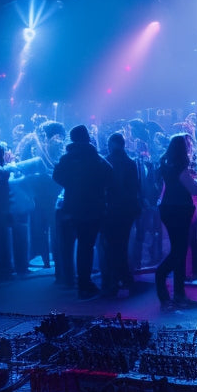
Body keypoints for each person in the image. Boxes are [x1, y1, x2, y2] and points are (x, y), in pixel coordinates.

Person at [52, 124, 114, 299]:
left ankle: (75, 281)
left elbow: (56, 176)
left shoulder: (66, 158)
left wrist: (70, 186)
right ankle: (85, 284)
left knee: (74, 244)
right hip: (93, 207)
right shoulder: (94, 157)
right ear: (87, 137)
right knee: (88, 246)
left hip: (72, 206)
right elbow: (110, 175)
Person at [154, 133, 197, 311]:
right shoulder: (180, 168)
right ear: (182, 149)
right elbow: (195, 190)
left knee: (179, 251)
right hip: (179, 210)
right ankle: (162, 281)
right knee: (179, 252)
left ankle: (179, 294)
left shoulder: (166, 165)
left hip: (168, 209)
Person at [101, 132, 142, 297]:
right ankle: (125, 278)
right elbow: (135, 188)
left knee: (110, 246)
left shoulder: (105, 161)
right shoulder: (130, 163)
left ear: (111, 145)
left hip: (110, 209)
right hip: (127, 209)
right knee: (122, 244)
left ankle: (113, 280)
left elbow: (103, 187)